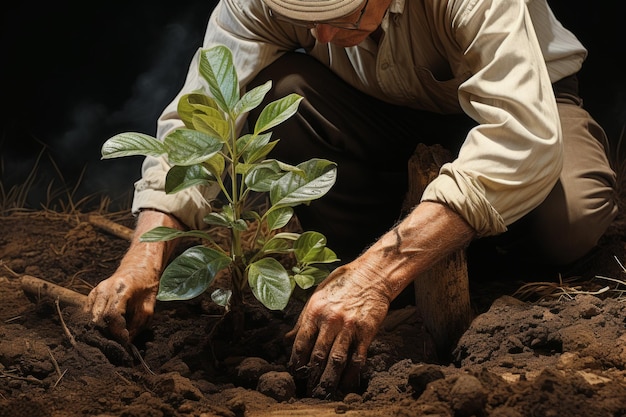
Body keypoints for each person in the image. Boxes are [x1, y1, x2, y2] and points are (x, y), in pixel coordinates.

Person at [85, 0, 618, 398]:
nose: (317, 32)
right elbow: (200, 115)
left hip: (509, 106)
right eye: (305, 16)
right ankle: (413, 229)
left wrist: (375, 276)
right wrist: (145, 257)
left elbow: (521, 137)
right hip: (367, 113)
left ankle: (444, 245)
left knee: (569, 219)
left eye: (339, 13)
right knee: (276, 92)